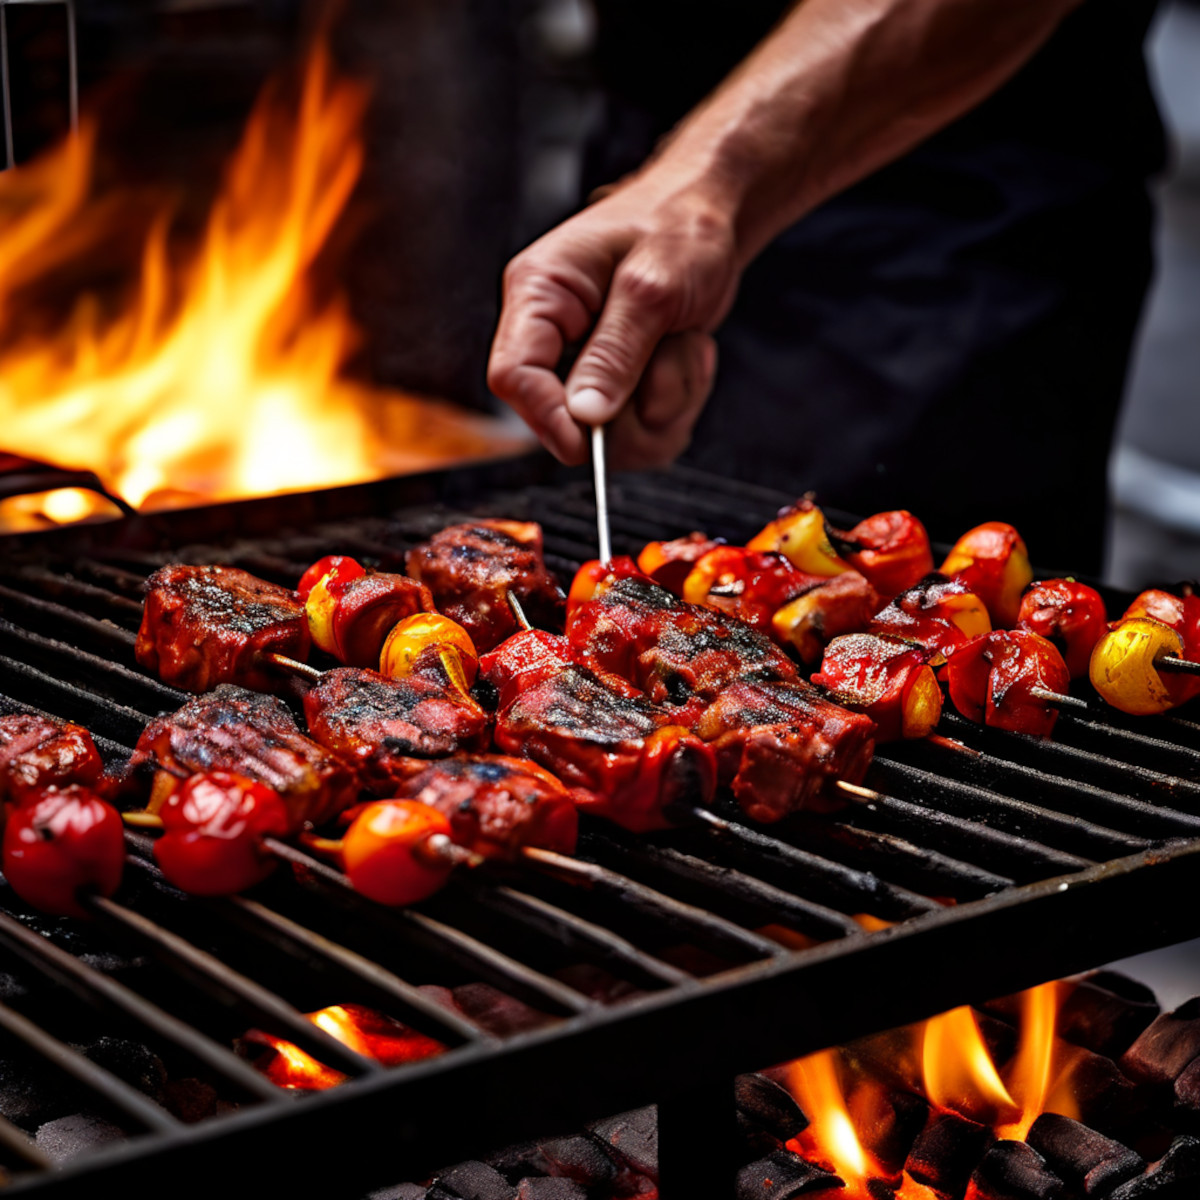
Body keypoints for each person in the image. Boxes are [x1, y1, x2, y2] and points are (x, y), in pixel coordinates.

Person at [486, 0, 1164, 573]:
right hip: (657, 151)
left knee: (912, 601)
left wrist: (707, 182)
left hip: (949, 224)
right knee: (637, 573)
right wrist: (658, 191)